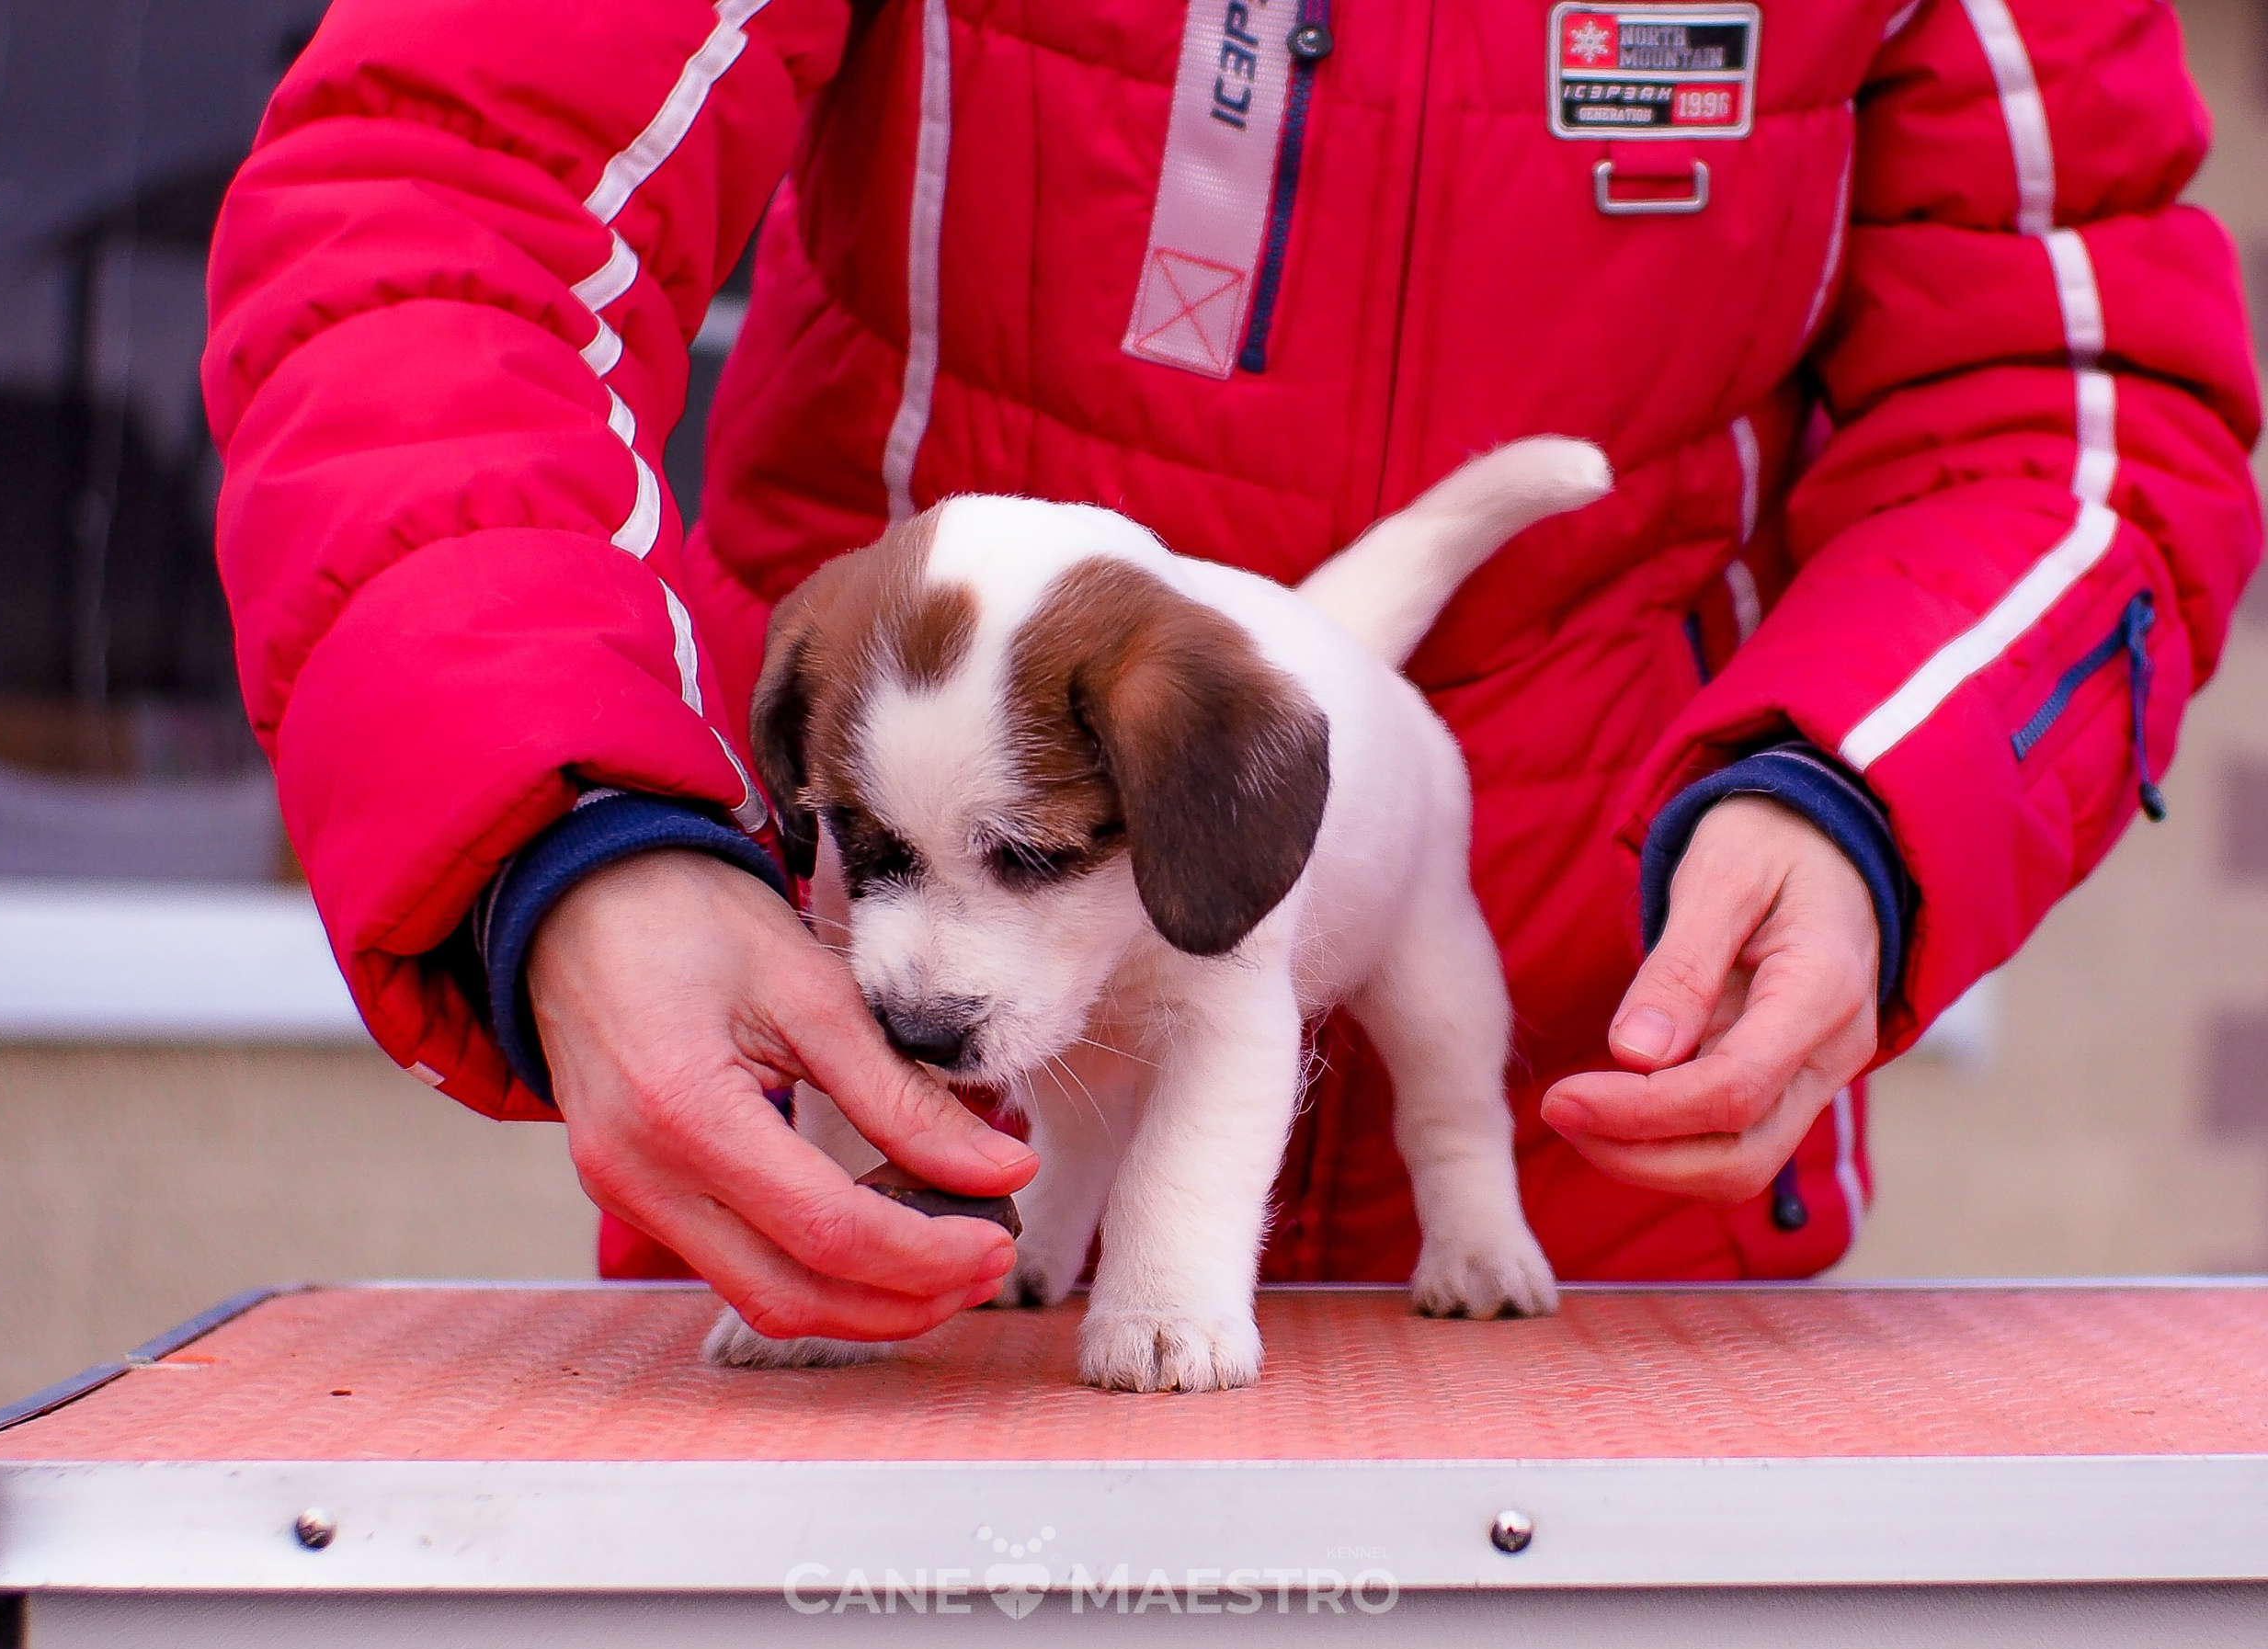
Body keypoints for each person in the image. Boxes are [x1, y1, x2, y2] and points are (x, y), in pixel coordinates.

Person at [203, 0, 2260, 1341]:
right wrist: (571, 827)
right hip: (855, 1180)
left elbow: (2071, 403)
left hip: (1614, 1139)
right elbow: (439, 201)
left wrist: (1864, 796)